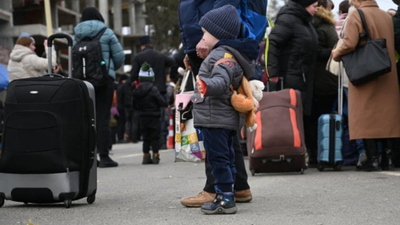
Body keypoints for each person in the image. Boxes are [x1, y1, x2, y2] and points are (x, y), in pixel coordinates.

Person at [179, 0, 253, 208]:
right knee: (226, 158)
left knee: (219, 160)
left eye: (204, 34)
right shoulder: (223, 54)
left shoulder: (222, 57)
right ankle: (231, 191)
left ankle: (224, 198)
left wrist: (204, 85)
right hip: (219, 117)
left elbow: (221, 81)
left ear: (217, 35)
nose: (201, 38)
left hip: (216, 119)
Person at [332, 0, 400, 171]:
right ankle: (387, 157)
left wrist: (336, 53)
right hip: (386, 70)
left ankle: (372, 159)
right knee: (387, 116)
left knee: (365, 115)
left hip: (365, 71)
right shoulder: (386, 16)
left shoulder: (357, 15)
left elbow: (349, 43)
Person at [267, 0, 319, 164]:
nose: (317, 9)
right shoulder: (289, 19)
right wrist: (272, 72)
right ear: (305, 4)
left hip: (304, 76)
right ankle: (290, 152)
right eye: (314, 6)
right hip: (290, 76)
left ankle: (304, 153)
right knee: (292, 116)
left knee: (304, 116)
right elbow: (273, 43)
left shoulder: (306, 22)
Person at [73, 7, 125, 168]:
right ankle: (104, 156)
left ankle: (89, 158)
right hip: (104, 81)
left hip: (83, 82)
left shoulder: (76, 35)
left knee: (86, 119)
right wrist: (109, 70)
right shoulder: (106, 32)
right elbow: (119, 56)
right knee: (102, 118)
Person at [129, 36, 176, 149]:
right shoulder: (161, 55)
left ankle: (148, 143)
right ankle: (161, 141)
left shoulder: (138, 57)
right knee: (160, 117)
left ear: (142, 46)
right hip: (160, 89)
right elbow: (173, 63)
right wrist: (173, 77)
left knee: (146, 118)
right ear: (151, 44)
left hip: (143, 92)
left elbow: (133, 75)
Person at [312, 0, 339, 163]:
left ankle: (314, 151)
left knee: (312, 116)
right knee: (328, 115)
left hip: (309, 77)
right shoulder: (327, 27)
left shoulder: (307, 24)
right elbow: (334, 50)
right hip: (327, 77)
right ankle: (327, 151)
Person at [132, 68, 167, 164]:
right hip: (154, 116)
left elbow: (134, 105)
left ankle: (146, 156)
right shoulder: (153, 89)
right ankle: (155, 156)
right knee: (155, 137)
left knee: (145, 137)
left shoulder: (137, 90)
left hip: (142, 116)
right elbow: (162, 102)